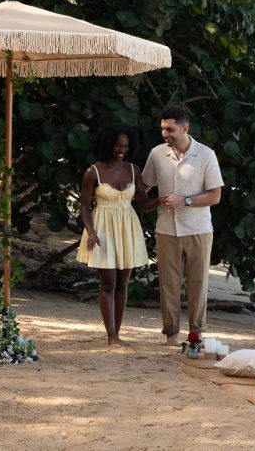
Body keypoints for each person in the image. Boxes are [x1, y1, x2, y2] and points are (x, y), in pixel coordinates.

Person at [142, 106, 224, 345]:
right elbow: (143, 187)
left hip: (199, 229)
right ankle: (171, 335)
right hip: (166, 228)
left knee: (198, 284)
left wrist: (184, 200)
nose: (165, 134)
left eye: (170, 129)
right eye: (162, 129)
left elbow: (215, 196)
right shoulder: (157, 153)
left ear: (185, 128)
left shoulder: (206, 155)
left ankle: (196, 334)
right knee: (168, 283)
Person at [76, 123, 153, 346]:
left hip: (127, 227)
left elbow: (142, 202)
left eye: (126, 146)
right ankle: (111, 335)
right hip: (102, 228)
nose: (122, 150)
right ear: (108, 144)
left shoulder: (133, 170)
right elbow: (83, 206)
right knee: (107, 283)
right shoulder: (93, 172)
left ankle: (117, 334)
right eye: (118, 145)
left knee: (123, 283)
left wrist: (164, 200)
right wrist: (90, 232)